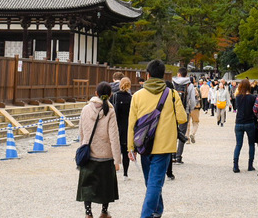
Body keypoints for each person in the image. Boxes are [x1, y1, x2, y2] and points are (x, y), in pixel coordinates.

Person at [127, 59, 188, 218]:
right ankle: (153, 212)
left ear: (147, 75)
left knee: (151, 182)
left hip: (143, 144)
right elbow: (182, 118)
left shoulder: (137, 95)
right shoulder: (172, 94)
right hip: (164, 145)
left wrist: (130, 147)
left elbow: (131, 124)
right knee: (154, 182)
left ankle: (153, 212)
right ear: (162, 76)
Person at [77, 81, 121, 218]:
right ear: (110, 94)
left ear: (96, 93)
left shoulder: (85, 109)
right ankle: (104, 211)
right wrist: (117, 159)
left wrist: (82, 146)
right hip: (105, 155)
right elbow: (114, 136)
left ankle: (88, 213)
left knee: (87, 185)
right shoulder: (110, 111)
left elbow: (81, 131)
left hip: (89, 153)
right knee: (105, 185)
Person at [172, 67, 197, 164]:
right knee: (182, 133)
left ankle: (172, 155)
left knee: (172, 133)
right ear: (186, 75)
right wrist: (190, 109)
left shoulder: (173, 83)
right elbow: (193, 100)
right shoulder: (189, 85)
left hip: (172, 112)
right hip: (184, 111)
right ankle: (179, 156)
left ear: (178, 74)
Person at [232, 78, 258, 173]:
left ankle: (235, 165)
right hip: (249, 122)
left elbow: (236, 108)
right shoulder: (252, 97)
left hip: (239, 122)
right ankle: (250, 165)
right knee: (251, 144)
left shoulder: (238, 97)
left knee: (238, 144)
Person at [110, 76, 133, 180]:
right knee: (125, 151)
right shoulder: (131, 98)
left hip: (116, 125)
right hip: (127, 126)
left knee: (114, 148)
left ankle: (114, 168)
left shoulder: (114, 97)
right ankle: (125, 174)